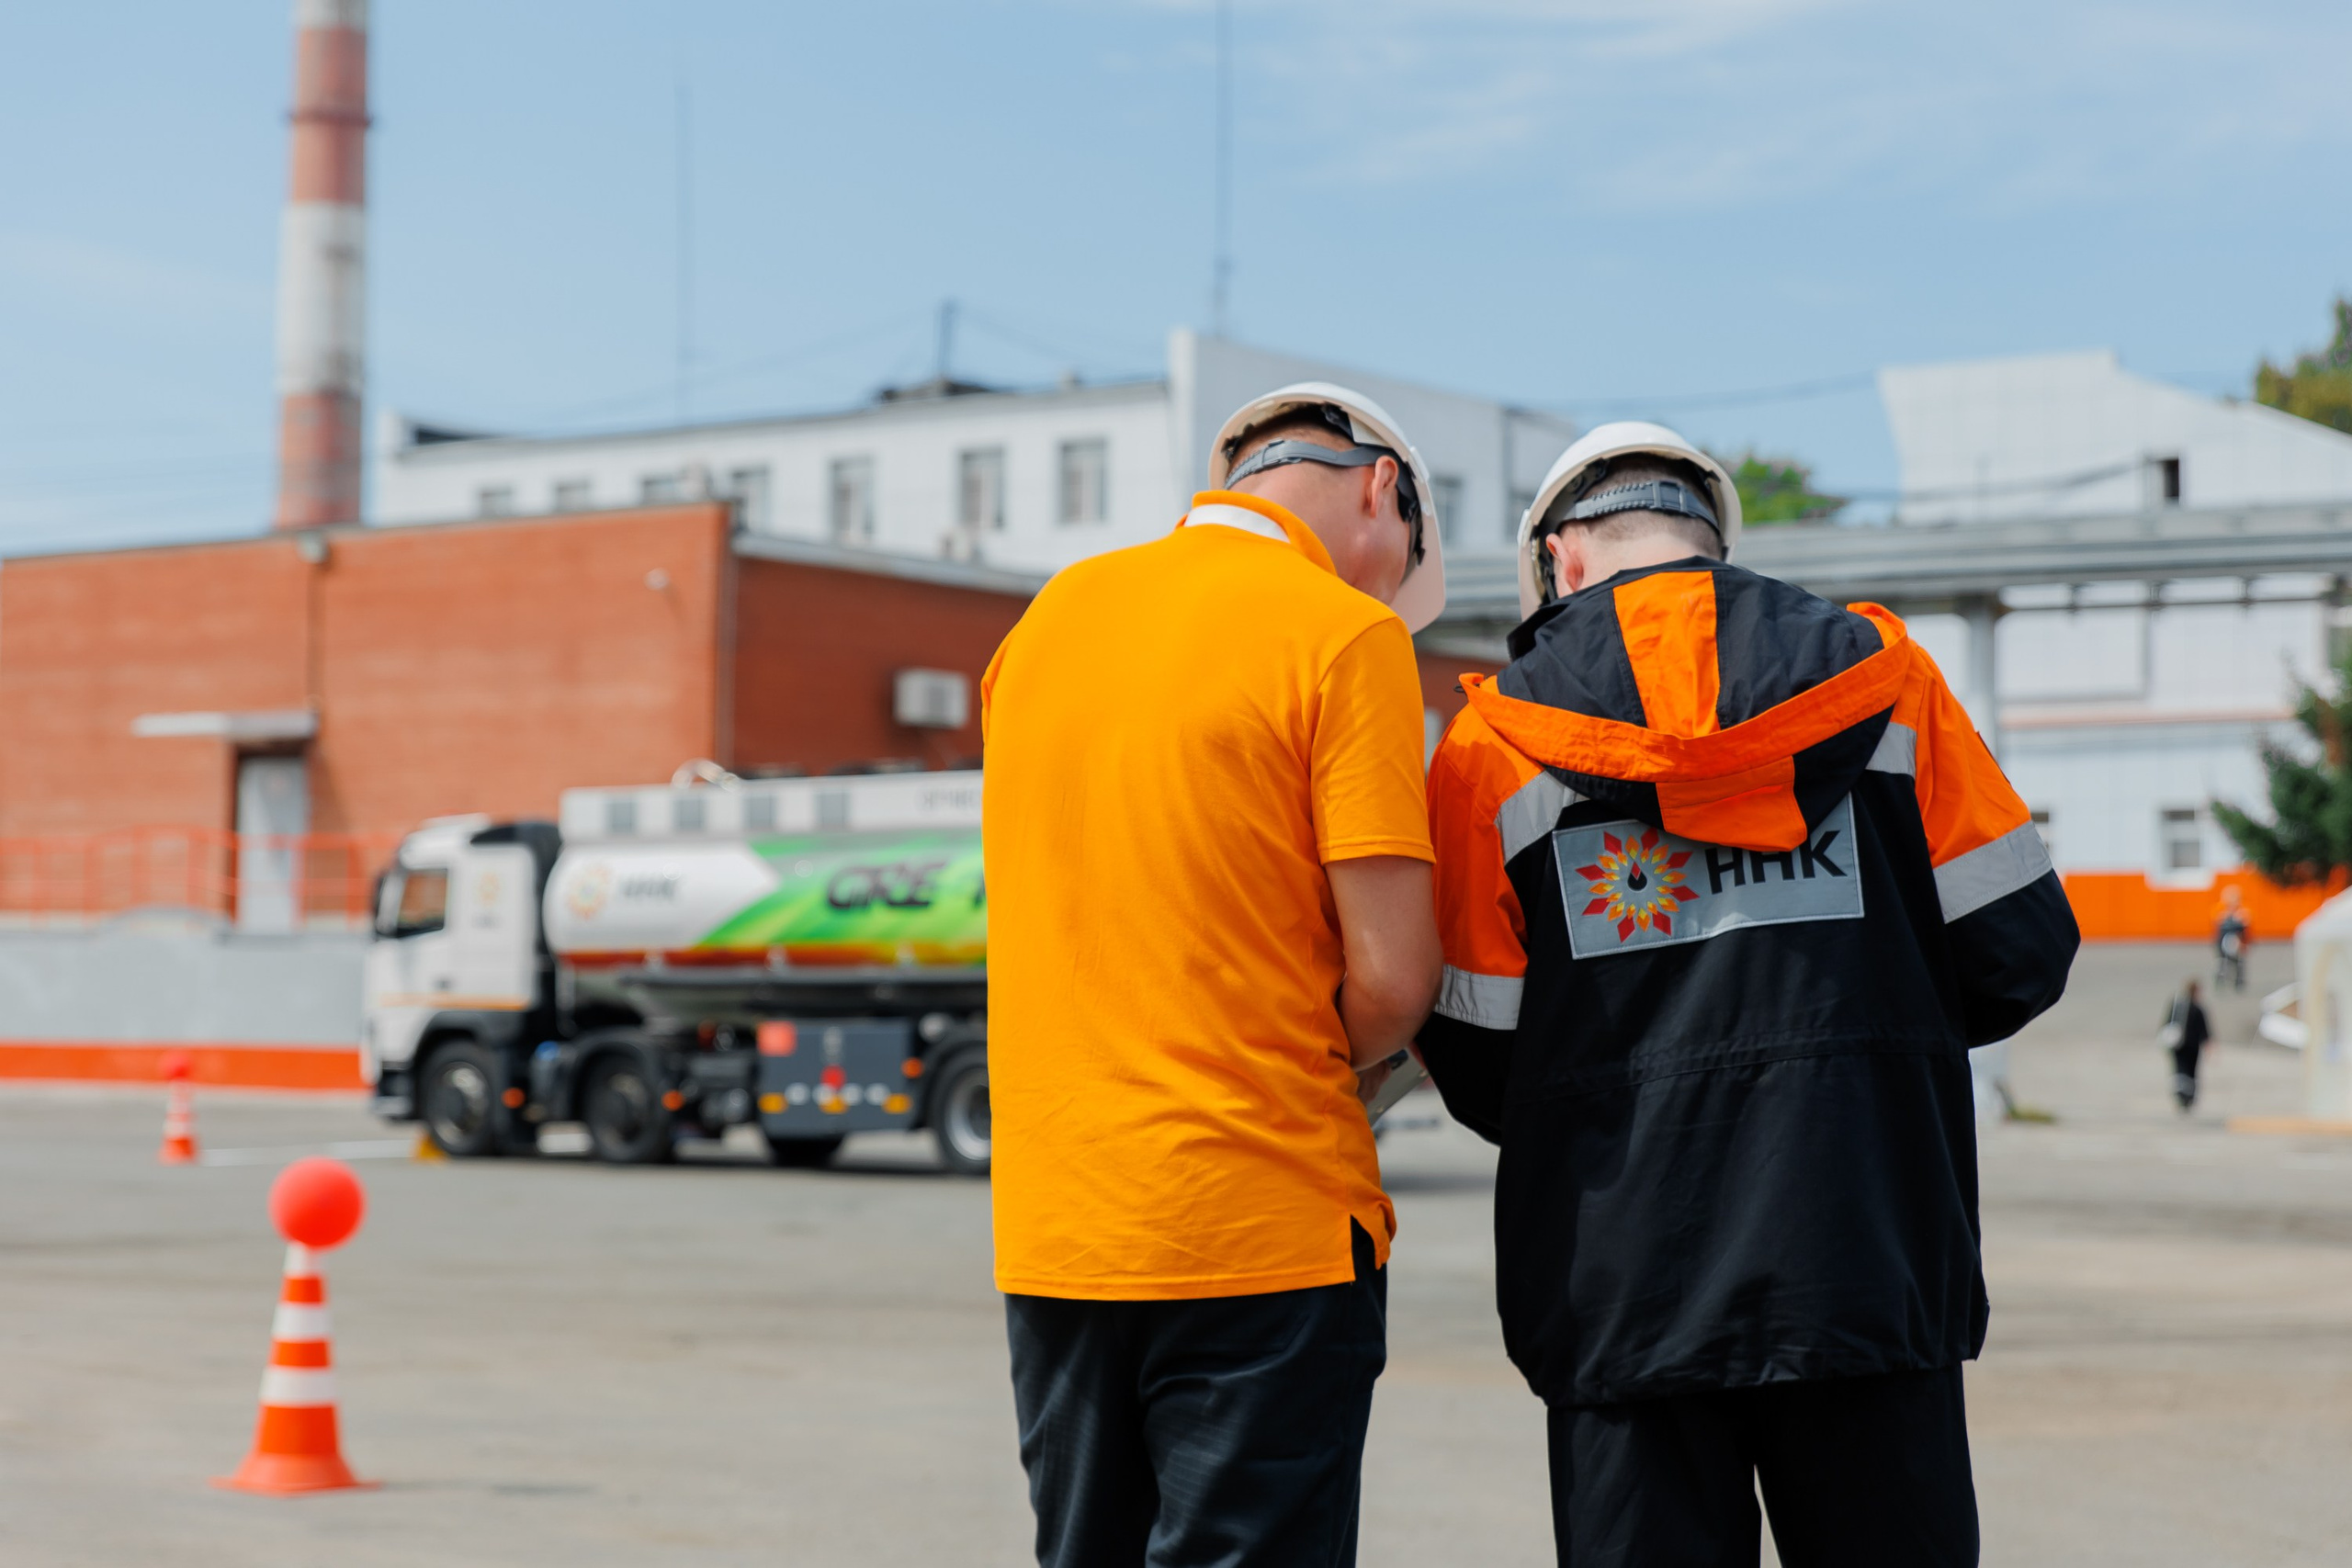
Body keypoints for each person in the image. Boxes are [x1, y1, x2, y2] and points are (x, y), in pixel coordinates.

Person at [1415, 421, 2080, 1567]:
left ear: (1562, 560)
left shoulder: (1492, 743)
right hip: (1863, 1250)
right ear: (1710, 542)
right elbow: (2020, 950)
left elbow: (1480, 1059)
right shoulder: (1889, 687)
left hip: (1621, 1288)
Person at [980, 383, 1447, 1567]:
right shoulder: (1343, 634)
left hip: (1062, 1226)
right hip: (1260, 1223)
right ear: (1382, 489)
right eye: (1396, 568)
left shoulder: (1048, 621)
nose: (1387, 592)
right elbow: (1394, 981)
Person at [2163, 978, 2211, 1112]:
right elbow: (2204, 1029)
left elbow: (2167, 1022)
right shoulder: (2197, 1008)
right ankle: (2188, 1097)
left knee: (2180, 1069)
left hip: (2177, 1045)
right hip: (2192, 1047)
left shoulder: (2177, 1005)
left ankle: (2181, 1095)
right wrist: (2208, 1044)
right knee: (2191, 1071)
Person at [2214, 886, 2249, 991]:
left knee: (2238, 963)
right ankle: (2221, 979)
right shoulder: (2221, 913)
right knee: (2223, 962)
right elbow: (2218, 929)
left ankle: (2238, 981)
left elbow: (2245, 931)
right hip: (2223, 942)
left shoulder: (2242, 913)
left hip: (2236, 943)